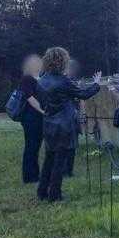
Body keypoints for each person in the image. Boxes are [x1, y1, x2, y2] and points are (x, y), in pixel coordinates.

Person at [37, 47, 101, 202]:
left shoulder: (42, 79)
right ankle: (55, 195)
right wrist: (96, 83)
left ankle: (42, 192)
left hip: (49, 124)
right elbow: (83, 94)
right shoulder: (63, 81)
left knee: (49, 159)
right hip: (64, 126)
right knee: (60, 162)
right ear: (62, 62)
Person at [20, 54, 44, 183]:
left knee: (36, 147)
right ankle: (29, 177)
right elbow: (30, 98)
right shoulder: (27, 79)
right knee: (31, 147)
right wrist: (42, 110)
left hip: (40, 118)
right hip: (31, 118)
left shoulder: (40, 78)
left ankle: (35, 174)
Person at [63, 59, 82, 177]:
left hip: (73, 116)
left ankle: (69, 170)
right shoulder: (62, 81)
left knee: (72, 146)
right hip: (65, 118)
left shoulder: (72, 81)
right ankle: (65, 170)